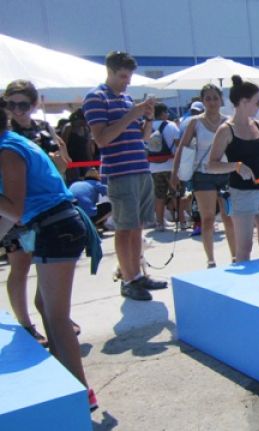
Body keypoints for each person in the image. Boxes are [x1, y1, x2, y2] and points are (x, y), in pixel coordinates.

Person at [0, 105, 98, 410]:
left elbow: (13, 210)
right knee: (46, 307)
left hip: (57, 228)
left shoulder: (7, 150)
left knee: (56, 316)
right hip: (53, 226)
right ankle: (65, 381)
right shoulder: (13, 142)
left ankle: (81, 393)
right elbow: (15, 213)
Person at [83, 51, 166, 301]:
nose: (127, 81)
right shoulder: (96, 98)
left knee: (136, 227)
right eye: (122, 76)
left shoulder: (126, 98)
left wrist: (147, 118)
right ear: (109, 71)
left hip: (139, 168)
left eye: (129, 77)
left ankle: (137, 274)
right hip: (120, 171)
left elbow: (140, 137)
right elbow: (102, 138)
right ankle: (128, 279)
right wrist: (132, 114)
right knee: (125, 227)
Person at [2, 79, 75, 346]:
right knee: (19, 266)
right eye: (11, 104)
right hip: (16, 215)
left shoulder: (44, 129)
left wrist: (61, 164)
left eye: (23, 104)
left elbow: (64, 164)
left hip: (44, 212)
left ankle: (53, 315)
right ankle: (25, 324)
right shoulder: (6, 135)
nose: (18, 110)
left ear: (33, 105)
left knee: (49, 269)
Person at [208, 75, 259, 261]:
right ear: (244, 102)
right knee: (244, 248)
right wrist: (236, 166)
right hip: (242, 192)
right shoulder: (226, 130)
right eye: (258, 102)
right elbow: (212, 165)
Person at [171, 84, 235, 268]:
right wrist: (175, 175)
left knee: (229, 216)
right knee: (207, 218)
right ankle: (211, 259)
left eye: (215, 98)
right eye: (208, 98)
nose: (212, 102)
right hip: (203, 175)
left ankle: (235, 257)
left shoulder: (228, 121)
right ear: (202, 101)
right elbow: (182, 148)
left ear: (221, 100)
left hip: (225, 173)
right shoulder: (195, 122)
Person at [148, 103, 184, 231]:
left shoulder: (148, 126)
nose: (168, 115)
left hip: (153, 166)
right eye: (167, 112)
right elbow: (179, 145)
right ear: (163, 113)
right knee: (177, 193)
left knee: (159, 195)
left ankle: (159, 223)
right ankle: (181, 221)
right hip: (171, 165)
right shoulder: (171, 125)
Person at [61, 108, 95, 183]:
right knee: (74, 183)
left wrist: (91, 162)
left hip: (85, 161)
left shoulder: (86, 129)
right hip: (72, 161)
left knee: (88, 182)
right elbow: (63, 144)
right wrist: (66, 160)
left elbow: (88, 147)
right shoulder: (69, 127)